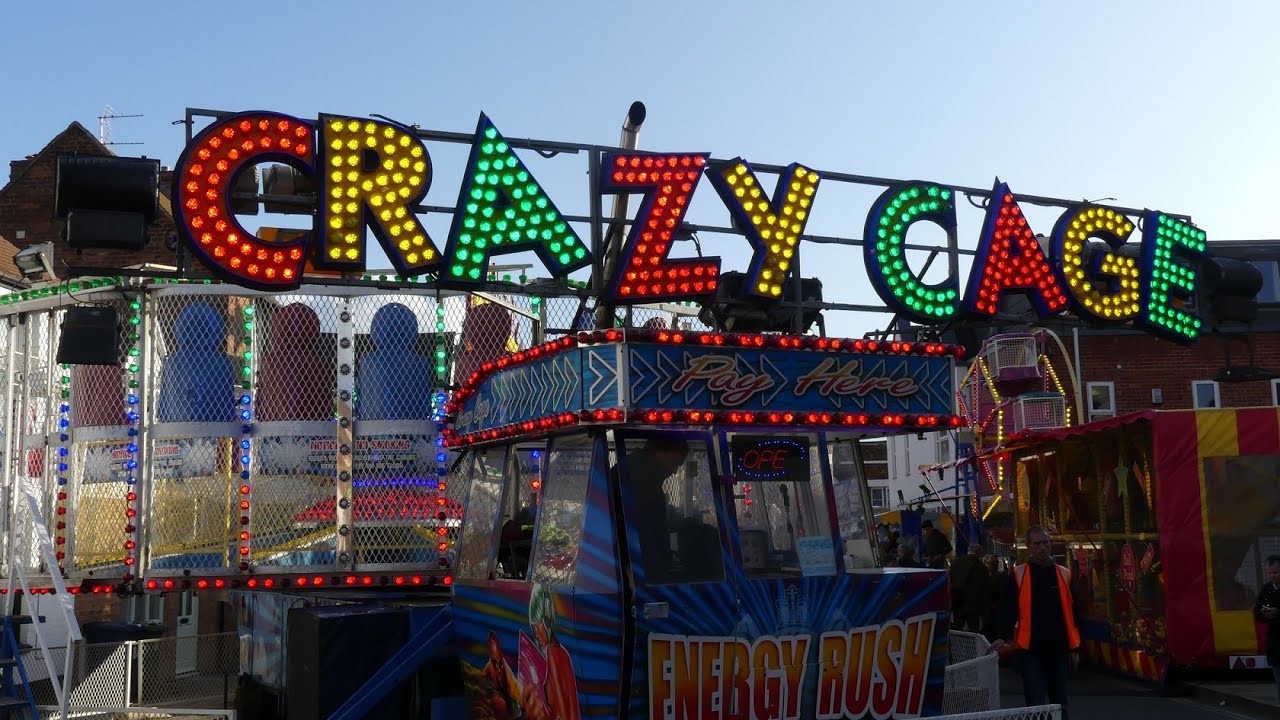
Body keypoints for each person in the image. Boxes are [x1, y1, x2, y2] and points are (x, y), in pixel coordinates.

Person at [990, 526, 1081, 719]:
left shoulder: (1064, 574)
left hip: (1058, 649)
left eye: (1045, 543)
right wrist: (1001, 636)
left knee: (1060, 703)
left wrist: (1075, 649)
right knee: (1035, 704)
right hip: (1030, 651)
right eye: (1037, 544)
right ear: (1029, 546)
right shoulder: (1018, 574)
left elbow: (1074, 614)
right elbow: (1007, 609)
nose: (1042, 547)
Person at [615, 437, 689, 583]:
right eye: (674, 463)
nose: (674, 471)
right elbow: (648, 527)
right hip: (635, 571)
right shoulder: (639, 478)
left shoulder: (635, 470)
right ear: (659, 452)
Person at [1254, 555, 1280, 702]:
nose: (1272, 576)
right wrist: (1264, 614)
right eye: (1269, 573)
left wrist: (1278, 612)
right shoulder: (1267, 589)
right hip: (1275, 641)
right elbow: (1257, 612)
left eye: (1275, 572)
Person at [950, 543, 990, 632]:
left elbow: (950, 579)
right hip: (973, 605)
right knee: (973, 630)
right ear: (978, 552)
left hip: (957, 602)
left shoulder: (956, 562)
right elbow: (985, 589)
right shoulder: (981, 568)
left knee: (957, 628)